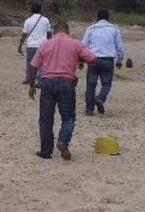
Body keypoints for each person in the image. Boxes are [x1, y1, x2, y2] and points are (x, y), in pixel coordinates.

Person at [28, 21, 96, 160]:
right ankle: (63, 141)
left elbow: (33, 66)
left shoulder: (45, 44)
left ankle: (46, 151)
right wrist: (78, 58)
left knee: (45, 119)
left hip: (47, 83)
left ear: (54, 32)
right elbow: (92, 59)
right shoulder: (75, 44)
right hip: (66, 83)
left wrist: (31, 85)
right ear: (67, 31)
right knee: (68, 117)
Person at [80, 9, 125, 116]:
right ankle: (100, 98)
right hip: (108, 60)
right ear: (108, 18)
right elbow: (120, 48)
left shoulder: (91, 29)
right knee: (106, 83)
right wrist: (119, 60)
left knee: (91, 84)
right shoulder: (114, 29)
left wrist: (81, 60)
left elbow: (83, 46)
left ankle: (89, 109)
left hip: (92, 59)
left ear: (97, 18)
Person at [18, 3, 51, 85]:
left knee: (30, 63)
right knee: (42, 64)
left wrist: (20, 45)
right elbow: (49, 34)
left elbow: (24, 34)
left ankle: (28, 79)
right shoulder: (46, 20)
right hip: (43, 45)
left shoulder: (28, 21)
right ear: (40, 10)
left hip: (31, 45)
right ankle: (40, 81)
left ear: (31, 10)